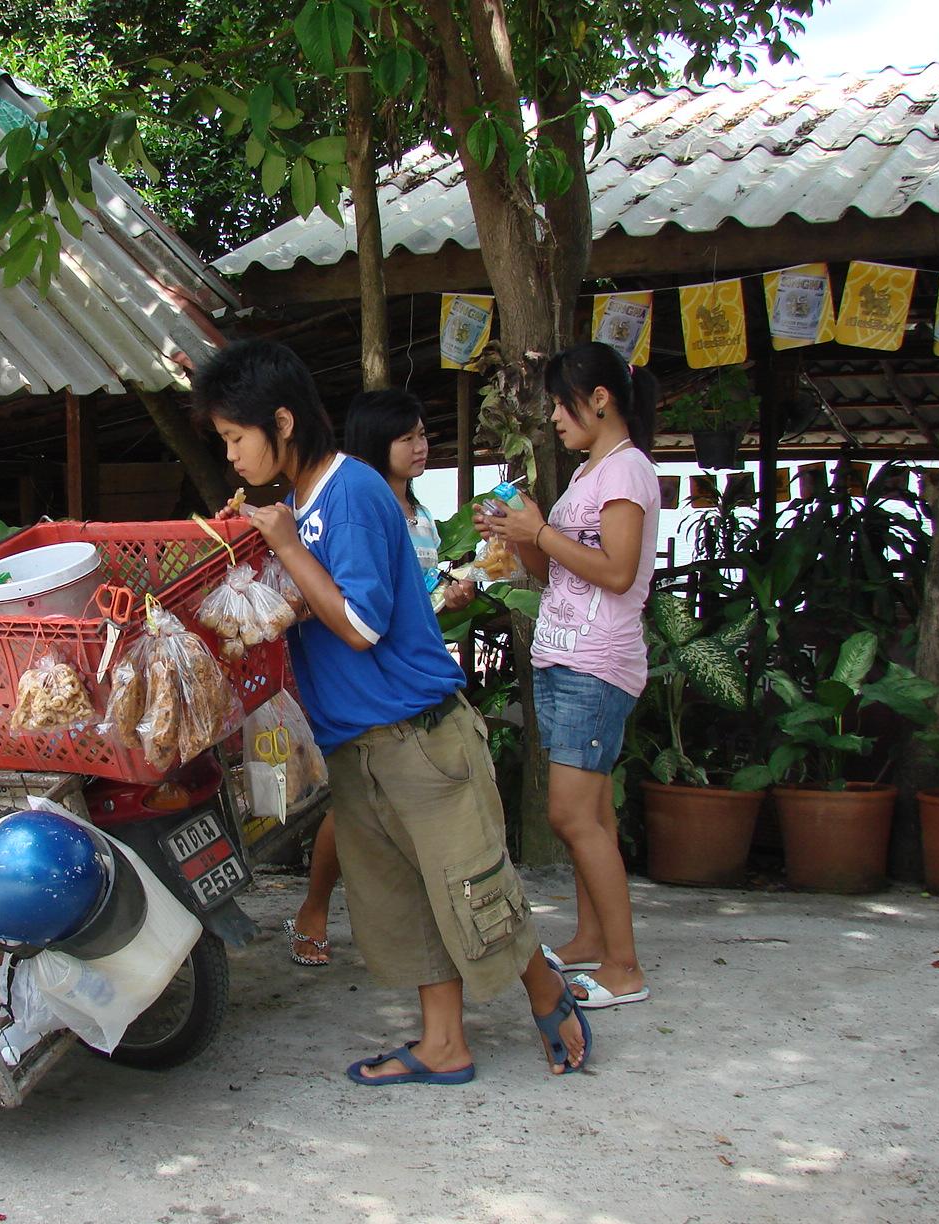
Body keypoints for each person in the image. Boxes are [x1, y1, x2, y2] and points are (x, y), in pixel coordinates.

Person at [197, 339, 590, 1080]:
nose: (232, 457)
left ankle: (548, 993)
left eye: (235, 437)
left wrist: (285, 544)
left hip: (417, 736)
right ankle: (444, 1044)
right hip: (357, 745)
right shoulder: (301, 506)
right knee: (405, 900)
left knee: (471, 886)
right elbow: (298, 606)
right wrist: (254, 550)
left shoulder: (349, 492)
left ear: (281, 422)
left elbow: (359, 625)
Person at [475, 340, 660, 1010]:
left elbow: (617, 572)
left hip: (597, 661)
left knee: (570, 815)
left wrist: (541, 532)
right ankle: (592, 938)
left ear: (600, 399)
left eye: (561, 402)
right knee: (594, 816)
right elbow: (555, 570)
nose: (554, 416)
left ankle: (624, 968)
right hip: (564, 656)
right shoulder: (589, 473)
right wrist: (518, 534)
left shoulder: (627, 470)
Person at [284, 388, 475, 968]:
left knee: (440, 855)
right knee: (354, 817)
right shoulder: (348, 503)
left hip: (402, 688)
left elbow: (385, 612)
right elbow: (356, 613)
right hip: (368, 696)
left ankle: (531, 983)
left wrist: (450, 597)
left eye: (423, 435)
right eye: (406, 437)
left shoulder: (419, 517)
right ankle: (316, 907)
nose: (421, 446)